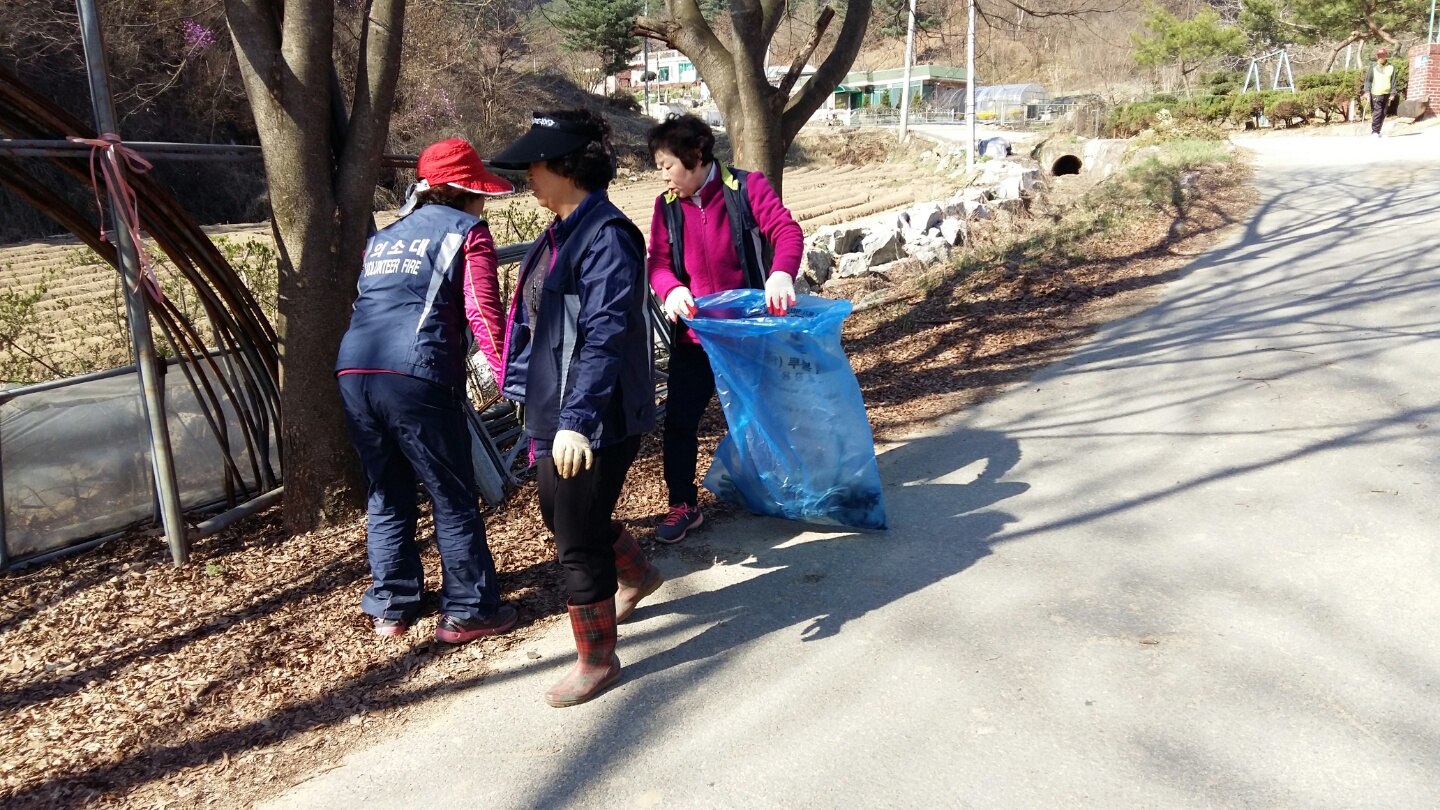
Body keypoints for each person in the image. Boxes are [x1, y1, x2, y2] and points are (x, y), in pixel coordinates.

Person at [490, 110, 664, 708]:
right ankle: (638, 572)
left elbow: (603, 334)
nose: (529, 176)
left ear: (566, 167)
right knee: (558, 512)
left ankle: (597, 659)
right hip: (557, 407)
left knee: (576, 535)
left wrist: (577, 422)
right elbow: (539, 323)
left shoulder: (607, 237)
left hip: (597, 414)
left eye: (536, 164)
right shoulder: (559, 233)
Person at [335, 138, 519, 642]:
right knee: (450, 492)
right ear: (466, 193)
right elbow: (483, 313)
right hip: (416, 374)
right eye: (481, 194)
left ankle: (391, 605)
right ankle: (469, 609)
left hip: (354, 372)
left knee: (386, 490)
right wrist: (510, 379)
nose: (484, 205)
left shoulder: (384, 237)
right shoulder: (467, 233)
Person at [645, 114, 804, 544]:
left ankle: (784, 488)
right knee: (679, 422)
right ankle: (683, 504)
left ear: (697, 156)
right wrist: (671, 289)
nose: (663, 176)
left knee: (763, 415)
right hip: (695, 338)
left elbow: (786, 231)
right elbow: (657, 263)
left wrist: (781, 273)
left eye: (667, 165)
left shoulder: (746, 188)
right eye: (659, 167)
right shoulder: (667, 206)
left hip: (749, 334)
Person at [1363, 48, 1397, 138]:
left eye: (1383, 55)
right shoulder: (1373, 67)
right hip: (1376, 93)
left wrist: (1392, 93)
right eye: (1379, 56)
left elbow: (1393, 81)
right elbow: (1368, 80)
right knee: (1377, 112)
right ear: (1377, 57)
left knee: (1383, 113)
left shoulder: (1391, 67)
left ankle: (1378, 131)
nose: (1381, 57)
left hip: (1386, 93)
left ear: (1386, 55)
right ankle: (1374, 131)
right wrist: (1366, 91)